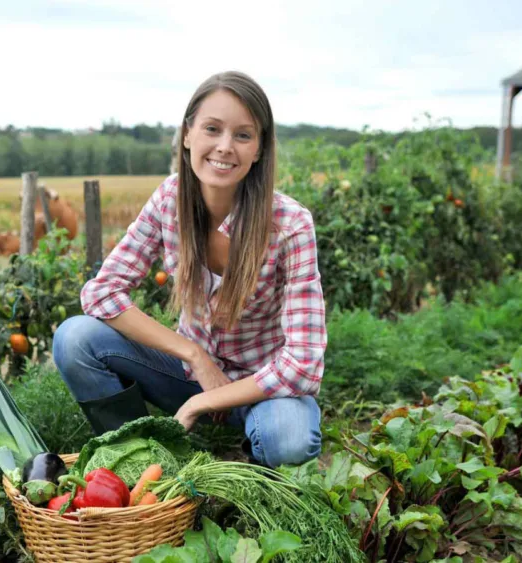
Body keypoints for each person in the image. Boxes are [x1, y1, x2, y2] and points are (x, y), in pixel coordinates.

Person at [52, 71, 325, 469]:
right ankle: (143, 459)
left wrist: (205, 401)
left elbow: (302, 365)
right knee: (75, 338)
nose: (225, 146)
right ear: (187, 135)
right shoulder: (170, 199)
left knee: (288, 439)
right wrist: (194, 355)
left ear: (259, 150)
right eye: (212, 129)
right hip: (185, 376)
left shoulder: (290, 224)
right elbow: (101, 293)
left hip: (262, 389)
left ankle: (252, 464)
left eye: (243, 135)